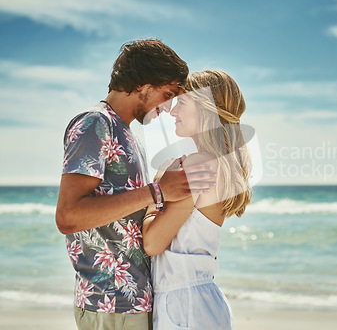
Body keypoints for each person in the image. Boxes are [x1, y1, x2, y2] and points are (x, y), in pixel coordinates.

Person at [55, 39, 216, 330]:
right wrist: (158, 191)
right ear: (143, 84)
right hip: (108, 304)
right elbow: (68, 216)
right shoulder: (94, 124)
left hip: (135, 303)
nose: (168, 108)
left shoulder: (128, 134)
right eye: (167, 94)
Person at [142, 70, 252, 330]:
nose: (172, 111)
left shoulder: (196, 164)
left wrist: (154, 196)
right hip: (200, 303)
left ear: (206, 109)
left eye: (181, 102)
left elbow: (153, 243)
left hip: (184, 308)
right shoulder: (219, 162)